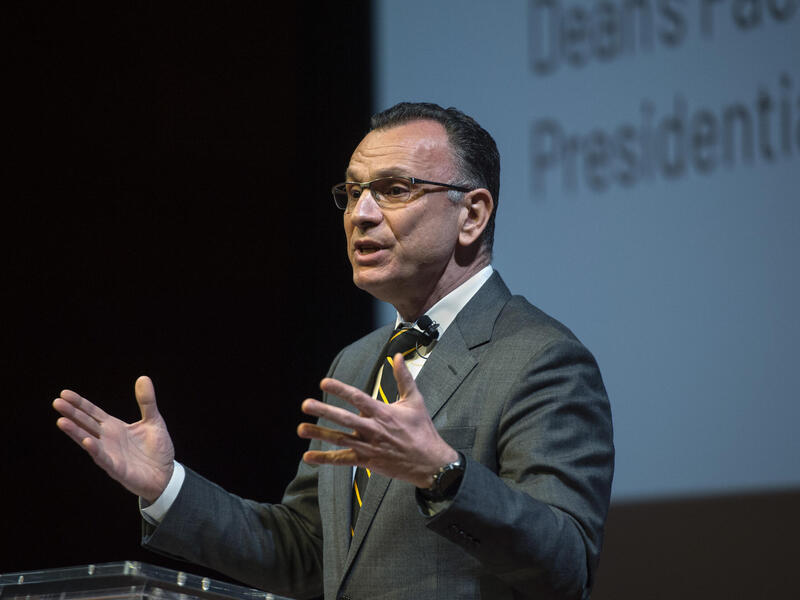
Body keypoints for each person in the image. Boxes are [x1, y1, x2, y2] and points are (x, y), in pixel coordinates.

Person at [53, 102, 614, 600]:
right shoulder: (355, 362)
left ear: (472, 214)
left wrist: (443, 473)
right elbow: (305, 552)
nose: (361, 214)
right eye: (352, 192)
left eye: (395, 190)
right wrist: (167, 488)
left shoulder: (542, 360)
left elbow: (564, 567)